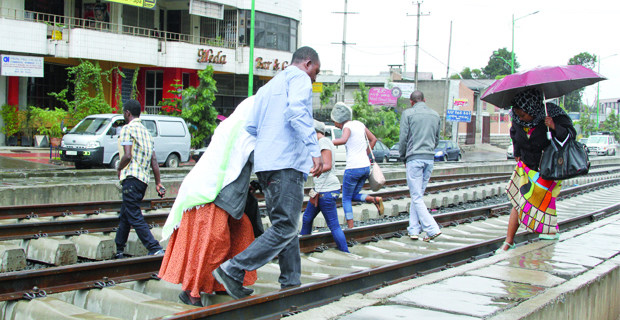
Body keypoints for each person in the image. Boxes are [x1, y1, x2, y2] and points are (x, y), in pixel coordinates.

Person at [212, 46, 324, 300]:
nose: (315, 78)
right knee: (285, 226)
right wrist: (314, 150)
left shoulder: (268, 87)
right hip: (287, 163)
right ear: (307, 64)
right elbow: (297, 112)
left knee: (285, 225)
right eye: (315, 71)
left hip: (266, 165)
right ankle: (233, 269)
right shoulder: (300, 79)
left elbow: (251, 127)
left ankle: (291, 281)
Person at [158, 97, 260, 307]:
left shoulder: (231, 126)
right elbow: (256, 161)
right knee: (212, 245)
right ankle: (191, 292)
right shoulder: (244, 132)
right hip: (211, 195)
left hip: (214, 192)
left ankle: (223, 283)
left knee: (238, 235)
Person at [497, 88, 576, 252]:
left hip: (548, 168)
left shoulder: (553, 114)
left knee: (542, 202)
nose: (520, 118)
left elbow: (570, 135)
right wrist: (517, 152)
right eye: (518, 115)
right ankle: (509, 241)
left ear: (532, 108)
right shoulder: (517, 119)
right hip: (526, 166)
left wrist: (554, 126)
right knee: (519, 203)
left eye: (523, 115)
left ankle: (548, 232)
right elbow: (514, 134)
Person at [115, 99, 165, 258]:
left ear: (127, 113)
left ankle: (154, 247)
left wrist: (118, 167)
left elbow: (127, 155)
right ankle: (119, 250)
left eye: (124, 112)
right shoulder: (147, 133)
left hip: (130, 178)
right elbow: (154, 161)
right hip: (143, 181)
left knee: (134, 215)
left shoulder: (127, 129)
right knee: (126, 214)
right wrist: (158, 182)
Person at [331, 102, 384, 230]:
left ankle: (350, 228)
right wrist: (365, 154)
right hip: (365, 167)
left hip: (353, 168)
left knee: (345, 199)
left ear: (340, 118)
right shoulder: (359, 124)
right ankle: (374, 199)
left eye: (334, 121)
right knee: (353, 195)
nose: (334, 124)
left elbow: (343, 140)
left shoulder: (347, 126)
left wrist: (326, 142)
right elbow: (374, 139)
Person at [300, 120, 350, 253]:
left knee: (333, 225)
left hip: (327, 190)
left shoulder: (323, 142)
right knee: (307, 218)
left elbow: (327, 165)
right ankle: (303, 249)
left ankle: (346, 253)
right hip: (319, 190)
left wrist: (308, 170)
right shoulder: (321, 142)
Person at [399, 91, 442, 242]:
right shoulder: (435, 115)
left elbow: (403, 138)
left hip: (414, 158)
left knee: (416, 196)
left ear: (411, 102)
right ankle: (414, 230)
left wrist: (403, 156)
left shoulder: (408, 114)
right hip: (429, 159)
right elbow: (437, 138)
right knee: (417, 196)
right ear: (424, 100)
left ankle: (432, 229)